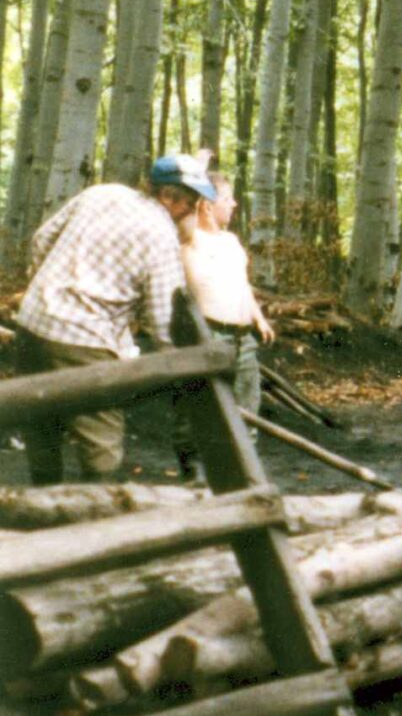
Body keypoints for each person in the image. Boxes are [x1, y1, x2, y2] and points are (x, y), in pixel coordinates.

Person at [11, 154, 219, 483]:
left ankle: (44, 510)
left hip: (32, 324)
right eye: (190, 204)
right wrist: (181, 367)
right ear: (167, 196)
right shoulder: (161, 235)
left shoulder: (102, 193)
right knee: (101, 448)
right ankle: (97, 519)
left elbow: (41, 240)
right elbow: (165, 319)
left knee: (41, 428)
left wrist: (49, 288)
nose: (191, 212)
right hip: (85, 339)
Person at [179, 170, 275, 416]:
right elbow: (186, 207)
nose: (234, 204)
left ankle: (246, 455)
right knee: (202, 412)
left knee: (248, 411)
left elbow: (242, 284)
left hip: (244, 339)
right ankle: (192, 456)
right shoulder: (190, 240)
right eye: (227, 199)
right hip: (210, 334)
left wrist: (259, 319)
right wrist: (198, 167)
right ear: (208, 206)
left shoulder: (231, 241)